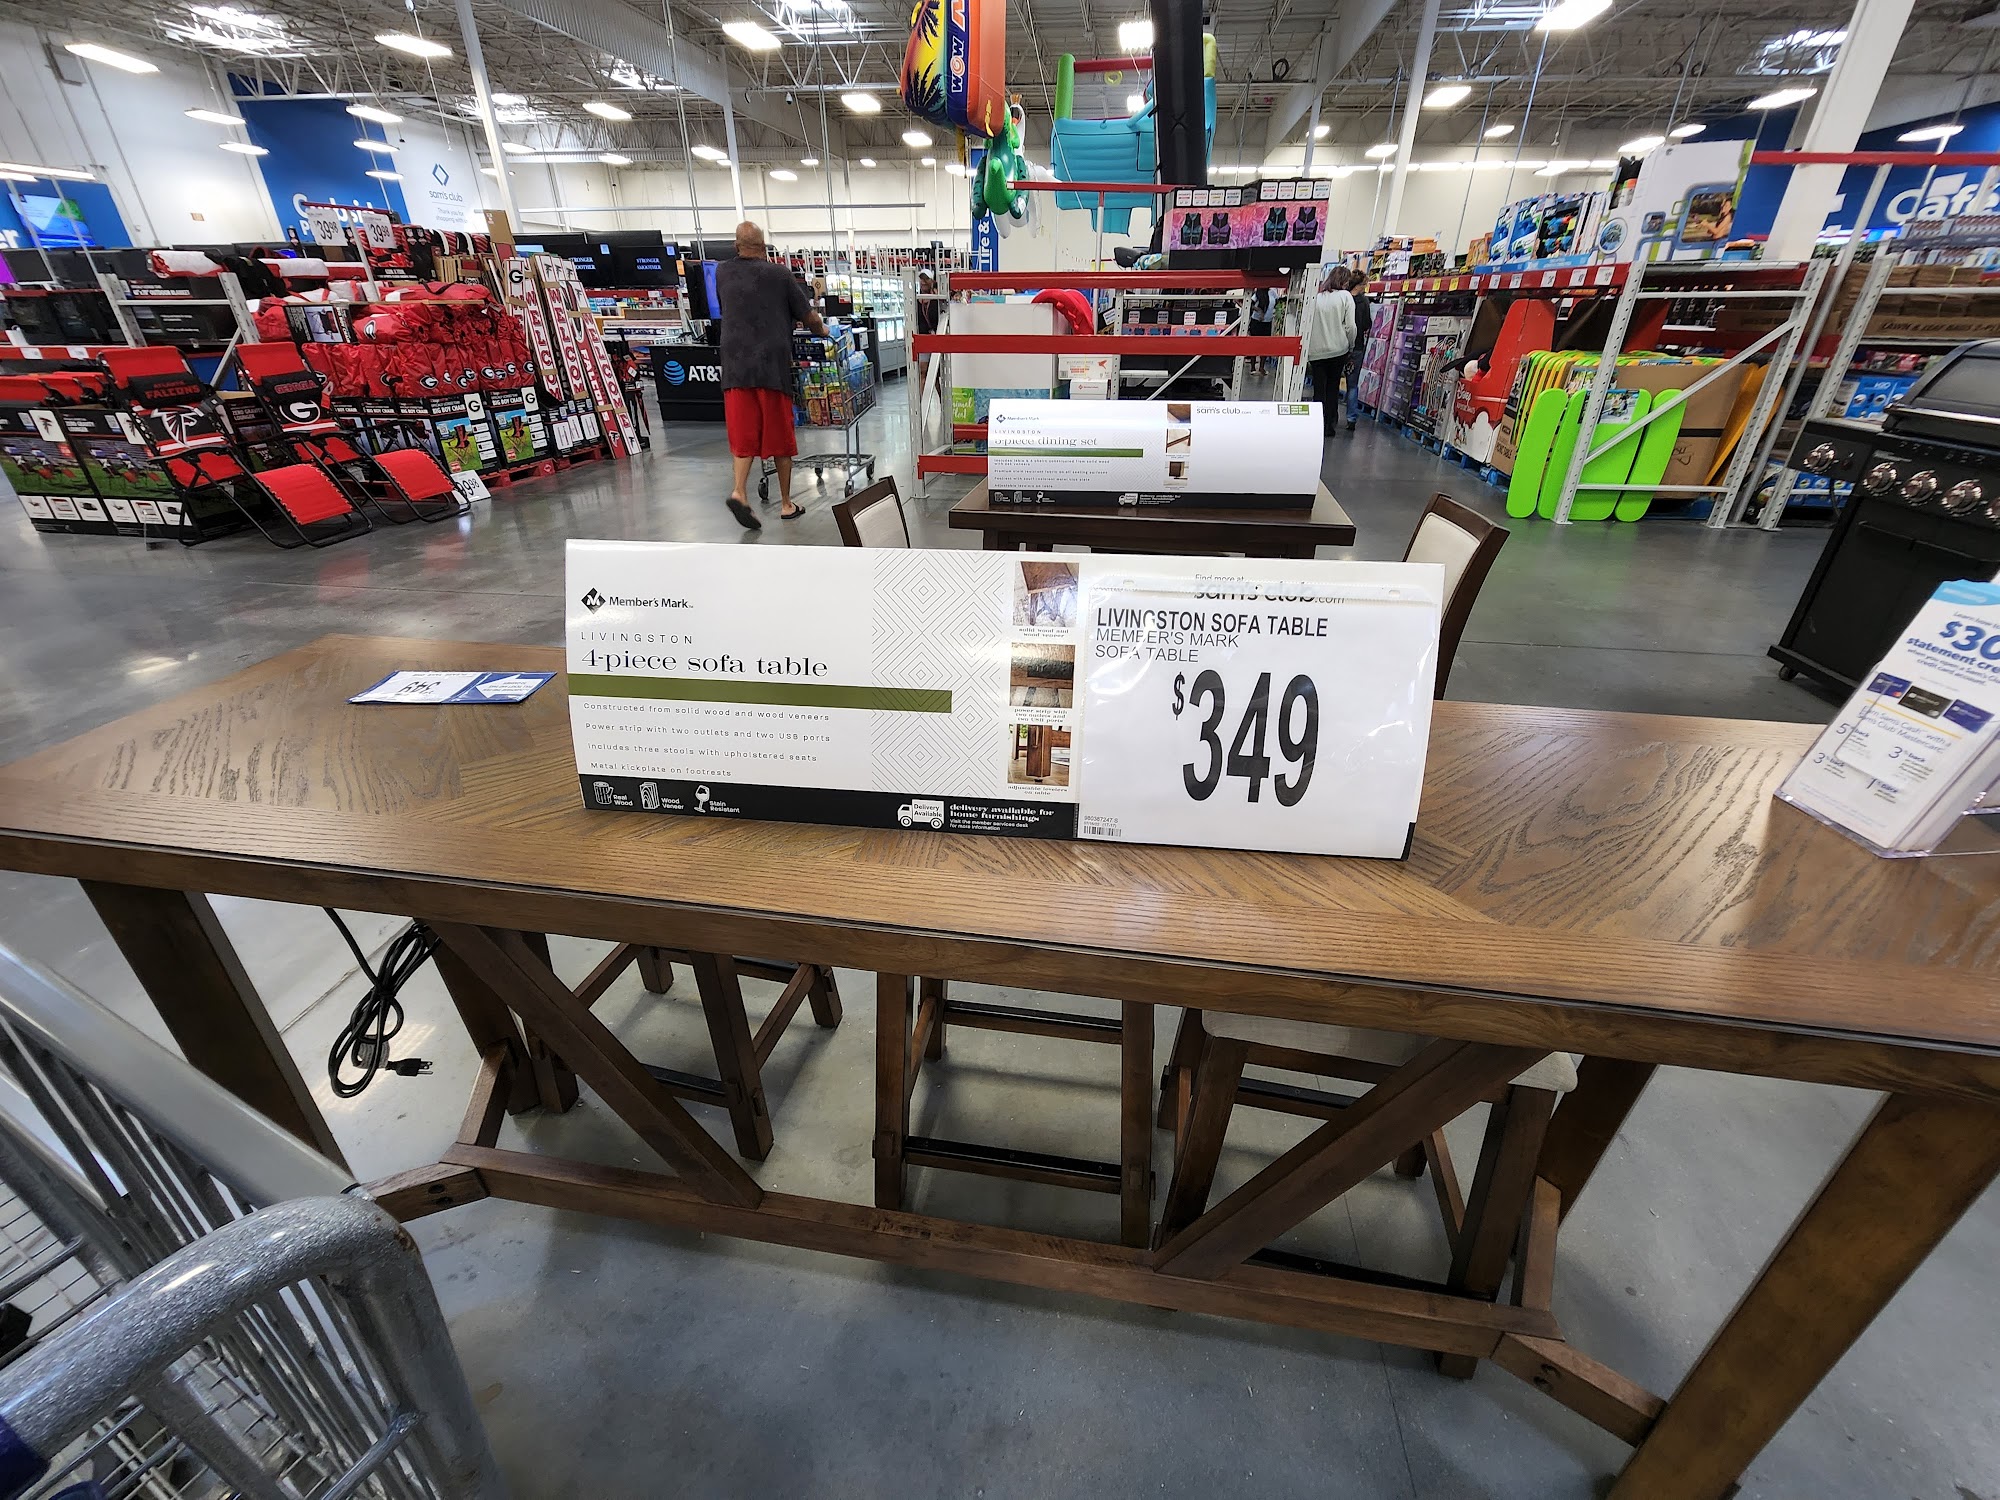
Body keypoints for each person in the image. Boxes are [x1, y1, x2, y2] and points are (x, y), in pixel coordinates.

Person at [717, 219, 828, 529]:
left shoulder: (722, 272)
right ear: (764, 247)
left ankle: (739, 492)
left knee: (743, 436)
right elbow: (808, 316)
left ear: (736, 246)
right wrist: (822, 329)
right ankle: (787, 504)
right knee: (779, 438)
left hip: (735, 367)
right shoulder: (779, 275)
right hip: (771, 367)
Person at [1302, 265, 1357, 440]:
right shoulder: (1346, 297)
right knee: (1332, 388)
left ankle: (1315, 424)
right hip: (1338, 349)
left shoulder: (1316, 298)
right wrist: (1351, 345)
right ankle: (1329, 425)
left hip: (1316, 351)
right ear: (1345, 281)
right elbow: (1351, 326)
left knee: (1319, 388)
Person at [1345, 277, 1373, 429]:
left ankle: (1330, 417)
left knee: (1332, 381)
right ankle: (1351, 419)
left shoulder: (1343, 298)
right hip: (1357, 346)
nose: (1365, 287)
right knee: (1352, 385)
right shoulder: (1364, 302)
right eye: (1364, 284)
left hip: (1340, 346)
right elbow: (1368, 324)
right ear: (1358, 285)